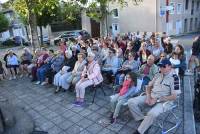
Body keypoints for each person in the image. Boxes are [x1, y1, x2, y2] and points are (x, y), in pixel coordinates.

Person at [128, 58, 180, 134]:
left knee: (152, 113)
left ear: (169, 66)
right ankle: (142, 119)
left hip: (164, 101)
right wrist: (148, 96)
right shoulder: (158, 74)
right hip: (151, 96)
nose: (161, 68)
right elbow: (148, 86)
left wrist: (157, 99)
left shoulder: (175, 78)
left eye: (163, 66)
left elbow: (174, 96)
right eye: (160, 66)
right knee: (131, 102)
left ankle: (140, 132)